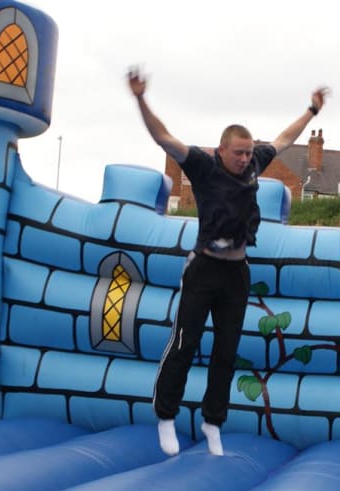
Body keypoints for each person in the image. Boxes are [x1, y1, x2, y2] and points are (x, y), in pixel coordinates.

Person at [127, 66, 329, 456]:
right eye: (238, 153)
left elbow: (285, 139)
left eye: (249, 152)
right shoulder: (202, 166)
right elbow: (162, 137)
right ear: (222, 150)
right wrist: (140, 98)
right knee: (184, 343)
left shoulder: (254, 165)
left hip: (237, 272)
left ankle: (212, 422)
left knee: (226, 351)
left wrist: (312, 110)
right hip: (204, 268)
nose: (245, 158)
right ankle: (166, 416)